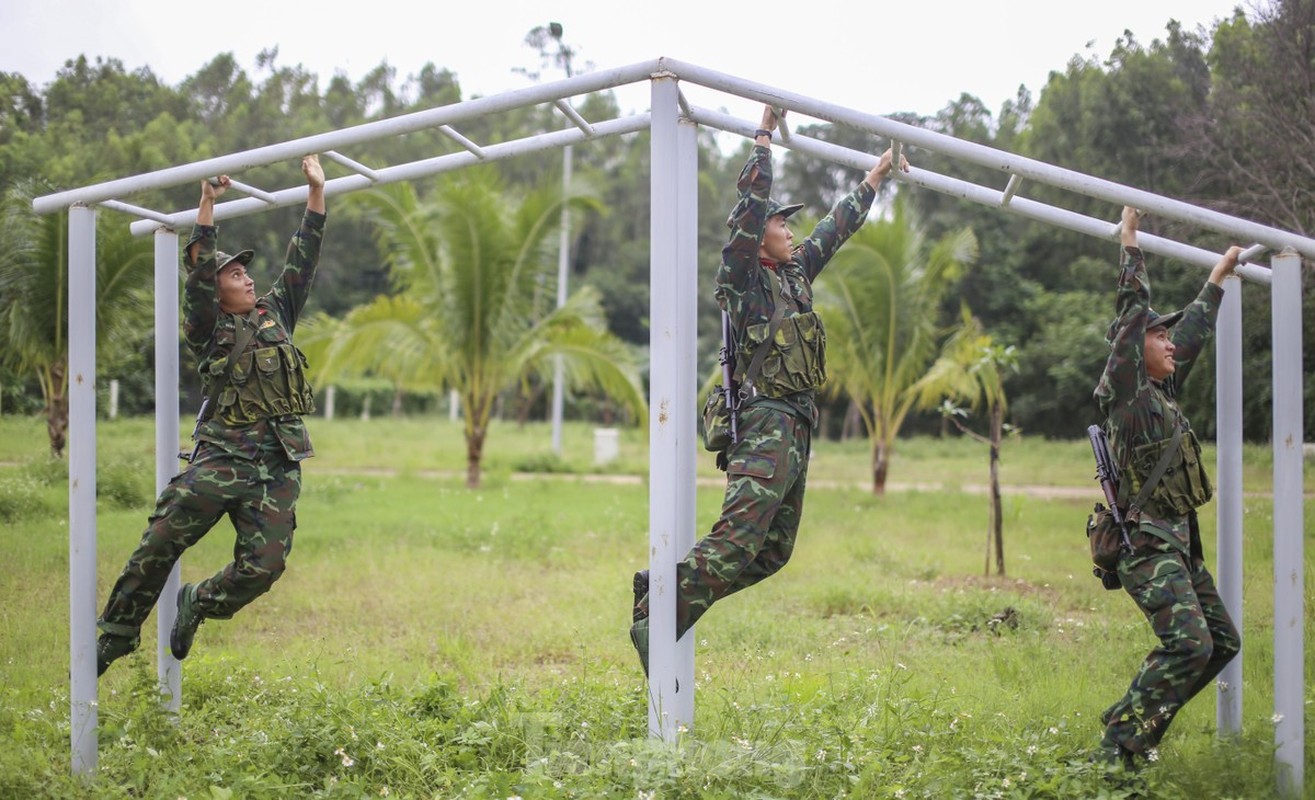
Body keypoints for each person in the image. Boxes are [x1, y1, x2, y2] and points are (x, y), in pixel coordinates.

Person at [629, 105, 909, 672]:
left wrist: (875, 178)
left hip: (797, 427)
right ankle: (657, 620)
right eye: (783, 224)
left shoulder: (794, 276)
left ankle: (660, 591)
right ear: (761, 239)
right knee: (736, 542)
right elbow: (750, 213)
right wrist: (763, 137)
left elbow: (836, 228)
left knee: (773, 551)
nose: (792, 231)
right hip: (763, 425)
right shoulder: (744, 281)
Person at [95, 155, 327, 675]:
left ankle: (198, 602)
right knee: (159, 541)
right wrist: (206, 205)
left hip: (277, 467)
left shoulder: (277, 314)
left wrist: (316, 191)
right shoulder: (209, 329)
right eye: (236, 275)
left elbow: (304, 258)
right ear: (219, 294)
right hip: (220, 461)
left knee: (264, 569)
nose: (247, 280)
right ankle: (114, 633)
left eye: (247, 273)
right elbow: (198, 274)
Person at [1092, 206, 1243, 768]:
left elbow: (1194, 338)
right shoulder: (1127, 393)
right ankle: (1117, 746)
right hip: (1147, 549)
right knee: (1190, 645)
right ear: (1134, 350)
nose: (1169, 342)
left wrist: (1217, 279)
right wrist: (1130, 242)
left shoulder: (1163, 395)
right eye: (1159, 335)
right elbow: (1131, 318)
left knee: (1221, 644)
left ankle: (1132, 731)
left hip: (1177, 549)